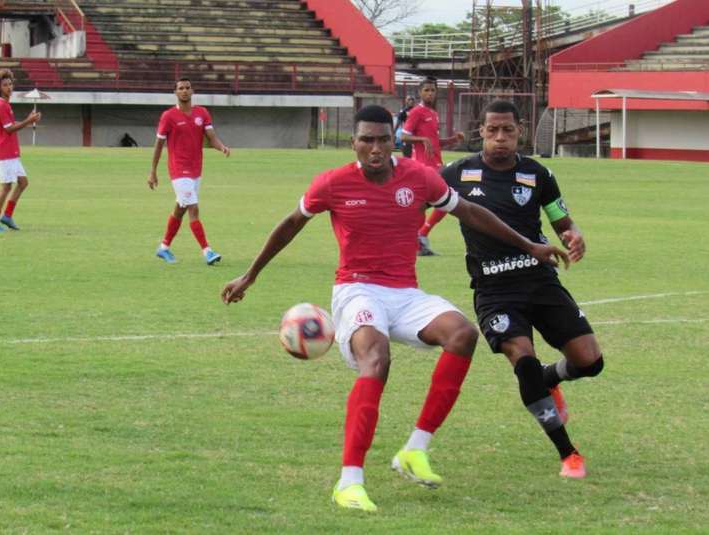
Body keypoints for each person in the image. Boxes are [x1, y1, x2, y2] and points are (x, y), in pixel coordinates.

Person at [221, 105, 568, 512]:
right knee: (377, 358)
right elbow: (291, 224)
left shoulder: (419, 177)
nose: (375, 147)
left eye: (383, 139)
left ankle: (415, 449)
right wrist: (250, 275)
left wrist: (529, 245)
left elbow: (471, 212)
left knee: (462, 333)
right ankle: (349, 481)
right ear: (354, 143)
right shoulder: (333, 183)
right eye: (366, 139)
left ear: (394, 141)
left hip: (405, 293)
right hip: (357, 290)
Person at [442, 100, 604, 479]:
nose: (500, 138)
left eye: (508, 131)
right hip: (494, 287)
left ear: (520, 132)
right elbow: (418, 196)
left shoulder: (538, 174)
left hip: (540, 279)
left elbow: (561, 220)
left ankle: (553, 377)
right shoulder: (456, 174)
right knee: (524, 360)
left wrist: (573, 234)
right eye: (493, 130)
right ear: (481, 130)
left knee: (590, 362)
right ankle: (569, 454)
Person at [148, 77, 230, 265]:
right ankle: (207, 251)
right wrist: (152, 171)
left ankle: (164, 247)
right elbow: (158, 145)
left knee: (181, 208)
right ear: (175, 93)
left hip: (195, 170)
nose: (184, 91)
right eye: (180, 88)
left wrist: (221, 147)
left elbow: (211, 137)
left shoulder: (202, 113)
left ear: (192, 91)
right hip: (178, 171)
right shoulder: (168, 117)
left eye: (187, 88)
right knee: (193, 208)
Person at [399, 77, 464, 256]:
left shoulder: (433, 113)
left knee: (441, 200)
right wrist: (422, 139)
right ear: (420, 92)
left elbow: (434, 142)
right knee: (447, 197)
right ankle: (419, 235)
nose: (430, 93)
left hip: (436, 164)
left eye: (433, 90)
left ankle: (418, 237)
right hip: (422, 165)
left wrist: (452, 139)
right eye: (426, 90)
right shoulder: (416, 112)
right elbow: (403, 137)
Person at [0, 69, 41, 232]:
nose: (9, 87)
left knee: (23, 182)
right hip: (5, 151)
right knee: (6, 187)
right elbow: (9, 129)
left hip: (9, 151)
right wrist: (28, 121)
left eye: (10, 84)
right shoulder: (1, 105)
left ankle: (7, 216)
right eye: (5, 85)